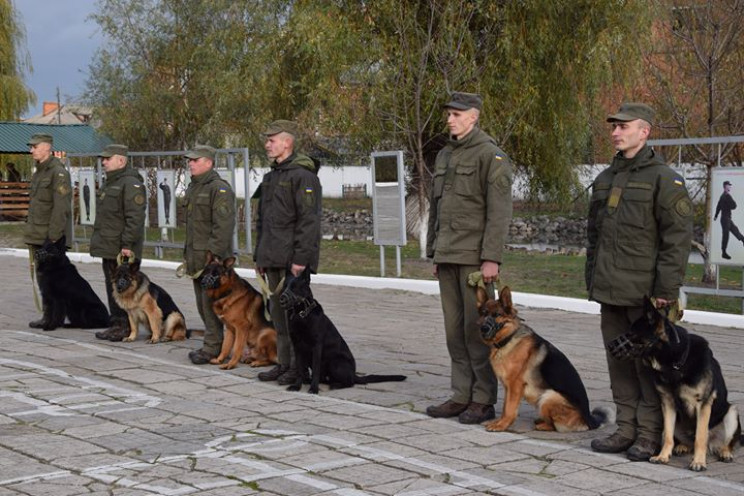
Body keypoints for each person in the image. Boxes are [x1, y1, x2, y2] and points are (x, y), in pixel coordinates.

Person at [586, 102, 693, 461]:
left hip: (645, 298)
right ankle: (625, 429)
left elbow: (676, 239)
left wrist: (665, 291)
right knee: (619, 364)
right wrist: (593, 281)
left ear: (644, 132)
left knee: (648, 368)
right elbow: (594, 237)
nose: (615, 132)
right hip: (610, 291)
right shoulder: (604, 179)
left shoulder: (664, 178)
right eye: (613, 126)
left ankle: (649, 434)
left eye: (623, 126)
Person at [425, 91, 513, 424]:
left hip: (475, 259)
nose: (450, 119)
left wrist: (491, 258)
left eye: (457, 114)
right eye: (449, 114)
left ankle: (483, 398)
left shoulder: (490, 156)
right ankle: (461, 394)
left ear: (474, 116)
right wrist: (435, 250)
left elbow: (499, 212)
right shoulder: (446, 156)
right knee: (453, 330)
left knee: (477, 331)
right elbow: (438, 208)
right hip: (448, 253)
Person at [254, 120, 322, 385]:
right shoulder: (271, 177)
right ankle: (284, 364)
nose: (267, 144)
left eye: (272, 140)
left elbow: (309, 222)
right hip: (272, 257)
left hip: (291, 262)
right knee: (279, 318)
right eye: (267, 139)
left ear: (287, 142)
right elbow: (263, 221)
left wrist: (300, 260)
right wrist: (260, 256)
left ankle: (299, 367)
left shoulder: (303, 176)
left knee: (296, 319)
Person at [183, 145, 236, 365]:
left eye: (195, 160)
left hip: (211, 260)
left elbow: (223, 226)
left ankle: (213, 348)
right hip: (196, 257)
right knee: (201, 304)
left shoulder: (219, 188)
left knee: (211, 305)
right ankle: (214, 343)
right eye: (190, 160)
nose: (191, 164)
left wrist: (213, 255)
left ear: (208, 162)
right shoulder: (194, 188)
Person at [91, 144, 147, 341]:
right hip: (109, 244)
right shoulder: (112, 182)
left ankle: (125, 326)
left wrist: (127, 245)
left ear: (121, 160)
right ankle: (116, 323)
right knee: (112, 285)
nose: (104, 162)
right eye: (103, 159)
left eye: (108, 158)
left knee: (124, 287)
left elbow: (135, 218)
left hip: (121, 247)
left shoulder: (130, 184)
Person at [24, 133, 72, 328]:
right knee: (43, 277)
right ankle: (49, 315)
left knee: (53, 278)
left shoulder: (58, 172)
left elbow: (61, 207)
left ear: (46, 147)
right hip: (37, 233)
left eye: (35, 146)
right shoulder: (39, 172)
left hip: (49, 236)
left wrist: (53, 237)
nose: (31, 150)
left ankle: (55, 316)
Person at [714, 180, 744, 260]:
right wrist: (716, 215)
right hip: (725, 218)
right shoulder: (726, 196)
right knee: (726, 235)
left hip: (726, 218)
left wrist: (716, 215)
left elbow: (718, 206)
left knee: (735, 229)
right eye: (728, 185)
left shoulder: (722, 195)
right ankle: (723, 252)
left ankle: (743, 239)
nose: (730, 186)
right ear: (725, 186)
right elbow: (734, 206)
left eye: (730, 185)